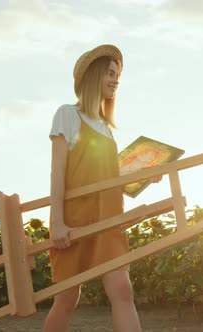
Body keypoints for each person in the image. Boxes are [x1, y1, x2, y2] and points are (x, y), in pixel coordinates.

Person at [44, 44, 147, 332]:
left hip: (109, 220)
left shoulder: (106, 128)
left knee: (123, 291)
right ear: (93, 75)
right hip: (75, 221)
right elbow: (58, 172)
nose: (116, 80)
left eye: (118, 76)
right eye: (110, 73)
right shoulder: (68, 115)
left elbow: (112, 181)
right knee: (67, 298)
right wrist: (57, 223)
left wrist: (145, 176)